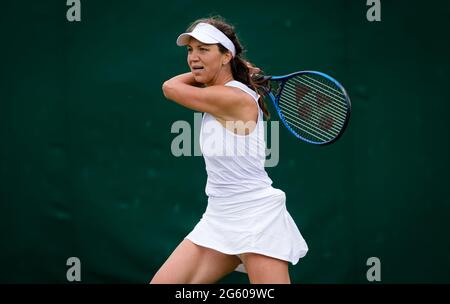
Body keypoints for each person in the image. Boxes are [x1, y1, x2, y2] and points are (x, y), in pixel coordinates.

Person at [151, 16, 308, 284]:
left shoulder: (232, 97)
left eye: (204, 49)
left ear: (225, 56)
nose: (193, 57)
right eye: (190, 50)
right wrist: (236, 67)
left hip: (255, 217)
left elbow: (170, 87)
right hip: (219, 216)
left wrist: (238, 68)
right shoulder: (224, 90)